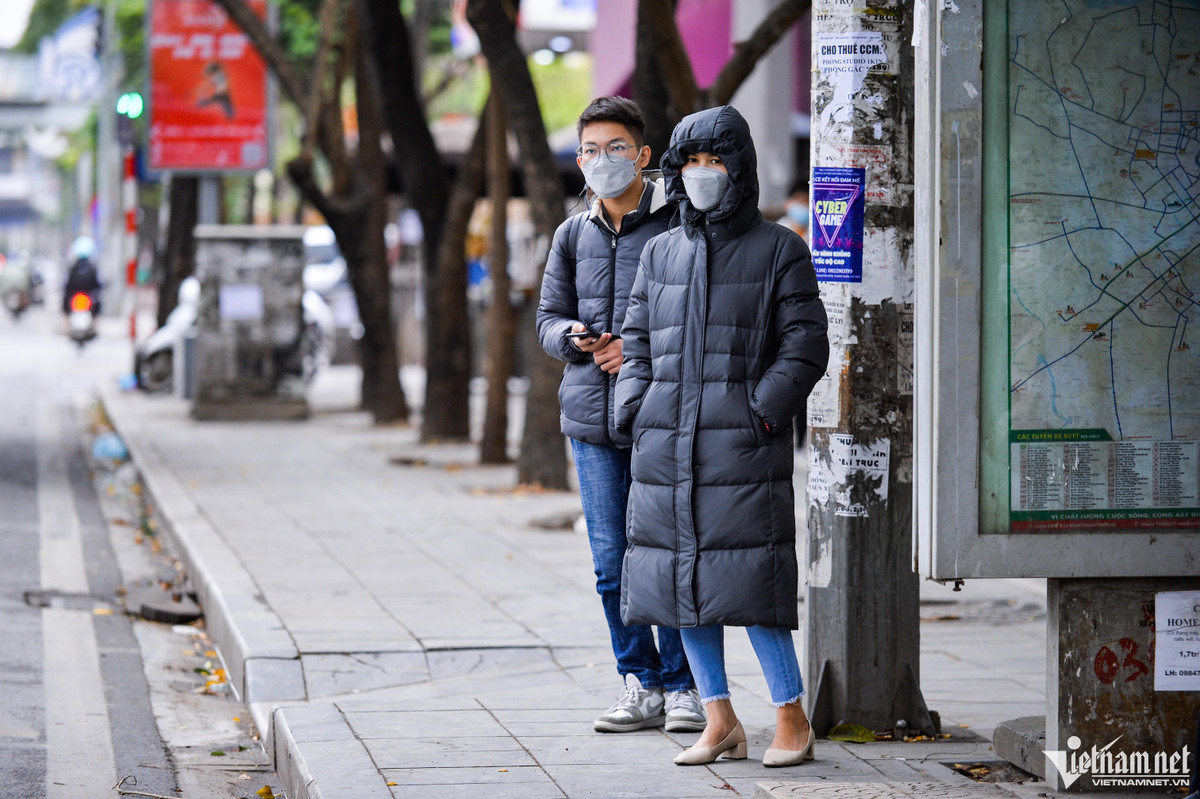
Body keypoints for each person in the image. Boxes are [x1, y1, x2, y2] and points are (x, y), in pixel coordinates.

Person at [614, 106, 830, 767]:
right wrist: (634, 407)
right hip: (666, 447)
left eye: (715, 161)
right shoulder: (660, 250)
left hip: (740, 448)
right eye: (691, 162)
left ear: (738, 168)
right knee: (683, 587)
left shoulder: (779, 248)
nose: (702, 173)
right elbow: (638, 340)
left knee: (755, 587)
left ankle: (791, 718)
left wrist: (760, 412)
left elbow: (807, 343)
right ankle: (719, 717)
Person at [536, 96, 705, 734]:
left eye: (613, 149)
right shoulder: (571, 233)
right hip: (590, 422)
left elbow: (697, 315)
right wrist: (574, 336)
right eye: (588, 151)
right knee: (612, 564)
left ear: (641, 154)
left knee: (666, 556)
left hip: (661, 419)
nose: (599, 161)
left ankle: (685, 685)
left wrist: (634, 347)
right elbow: (547, 319)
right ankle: (638, 682)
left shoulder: (680, 226)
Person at [62, 236, 102, 329]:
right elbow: (98, 283)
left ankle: (65, 320)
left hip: (81, 297)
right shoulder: (92, 268)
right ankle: (95, 321)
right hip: (82, 297)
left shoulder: (73, 267)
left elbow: (67, 284)